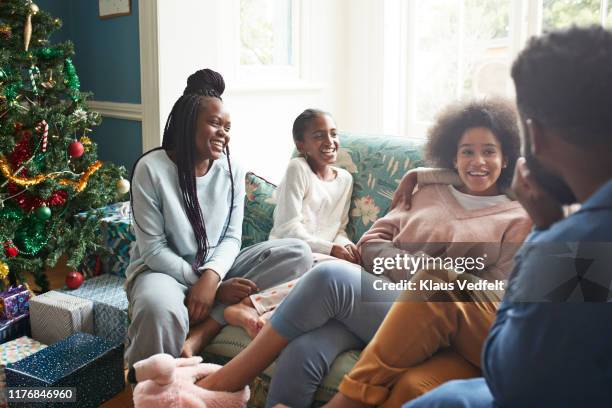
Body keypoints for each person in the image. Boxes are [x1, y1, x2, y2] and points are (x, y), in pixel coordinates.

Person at [194, 98, 532, 408]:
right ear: (453, 156)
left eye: (489, 152)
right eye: (467, 152)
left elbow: (490, 292)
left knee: (329, 276)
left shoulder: (517, 217)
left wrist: (426, 275)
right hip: (375, 297)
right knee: (304, 349)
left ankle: (222, 384)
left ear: (506, 158)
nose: (478, 162)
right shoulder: (428, 192)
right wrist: (420, 268)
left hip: (436, 319)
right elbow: (371, 243)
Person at [405, 25, 612, 408]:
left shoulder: (576, 247)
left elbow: (508, 375)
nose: (477, 161)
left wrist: (545, 235)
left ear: (534, 136)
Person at [124, 69, 313, 370]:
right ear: (188, 125)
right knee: (158, 308)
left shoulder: (233, 169)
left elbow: (231, 237)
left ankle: (205, 329)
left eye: (227, 126)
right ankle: (150, 391)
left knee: (297, 253)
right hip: (161, 271)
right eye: (215, 123)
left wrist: (212, 279)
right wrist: (204, 284)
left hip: (216, 269)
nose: (224, 133)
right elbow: (154, 249)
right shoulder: (151, 168)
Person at [223, 109, 359, 338]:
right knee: (325, 274)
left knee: (351, 275)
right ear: (301, 144)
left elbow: (339, 226)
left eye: (333, 134)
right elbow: (288, 228)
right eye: (319, 136)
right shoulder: (298, 168)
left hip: (320, 256)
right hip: (288, 250)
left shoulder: (345, 180)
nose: (330, 141)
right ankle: (246, 305)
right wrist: (329, 249)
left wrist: (344, 245)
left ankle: (266, 317)